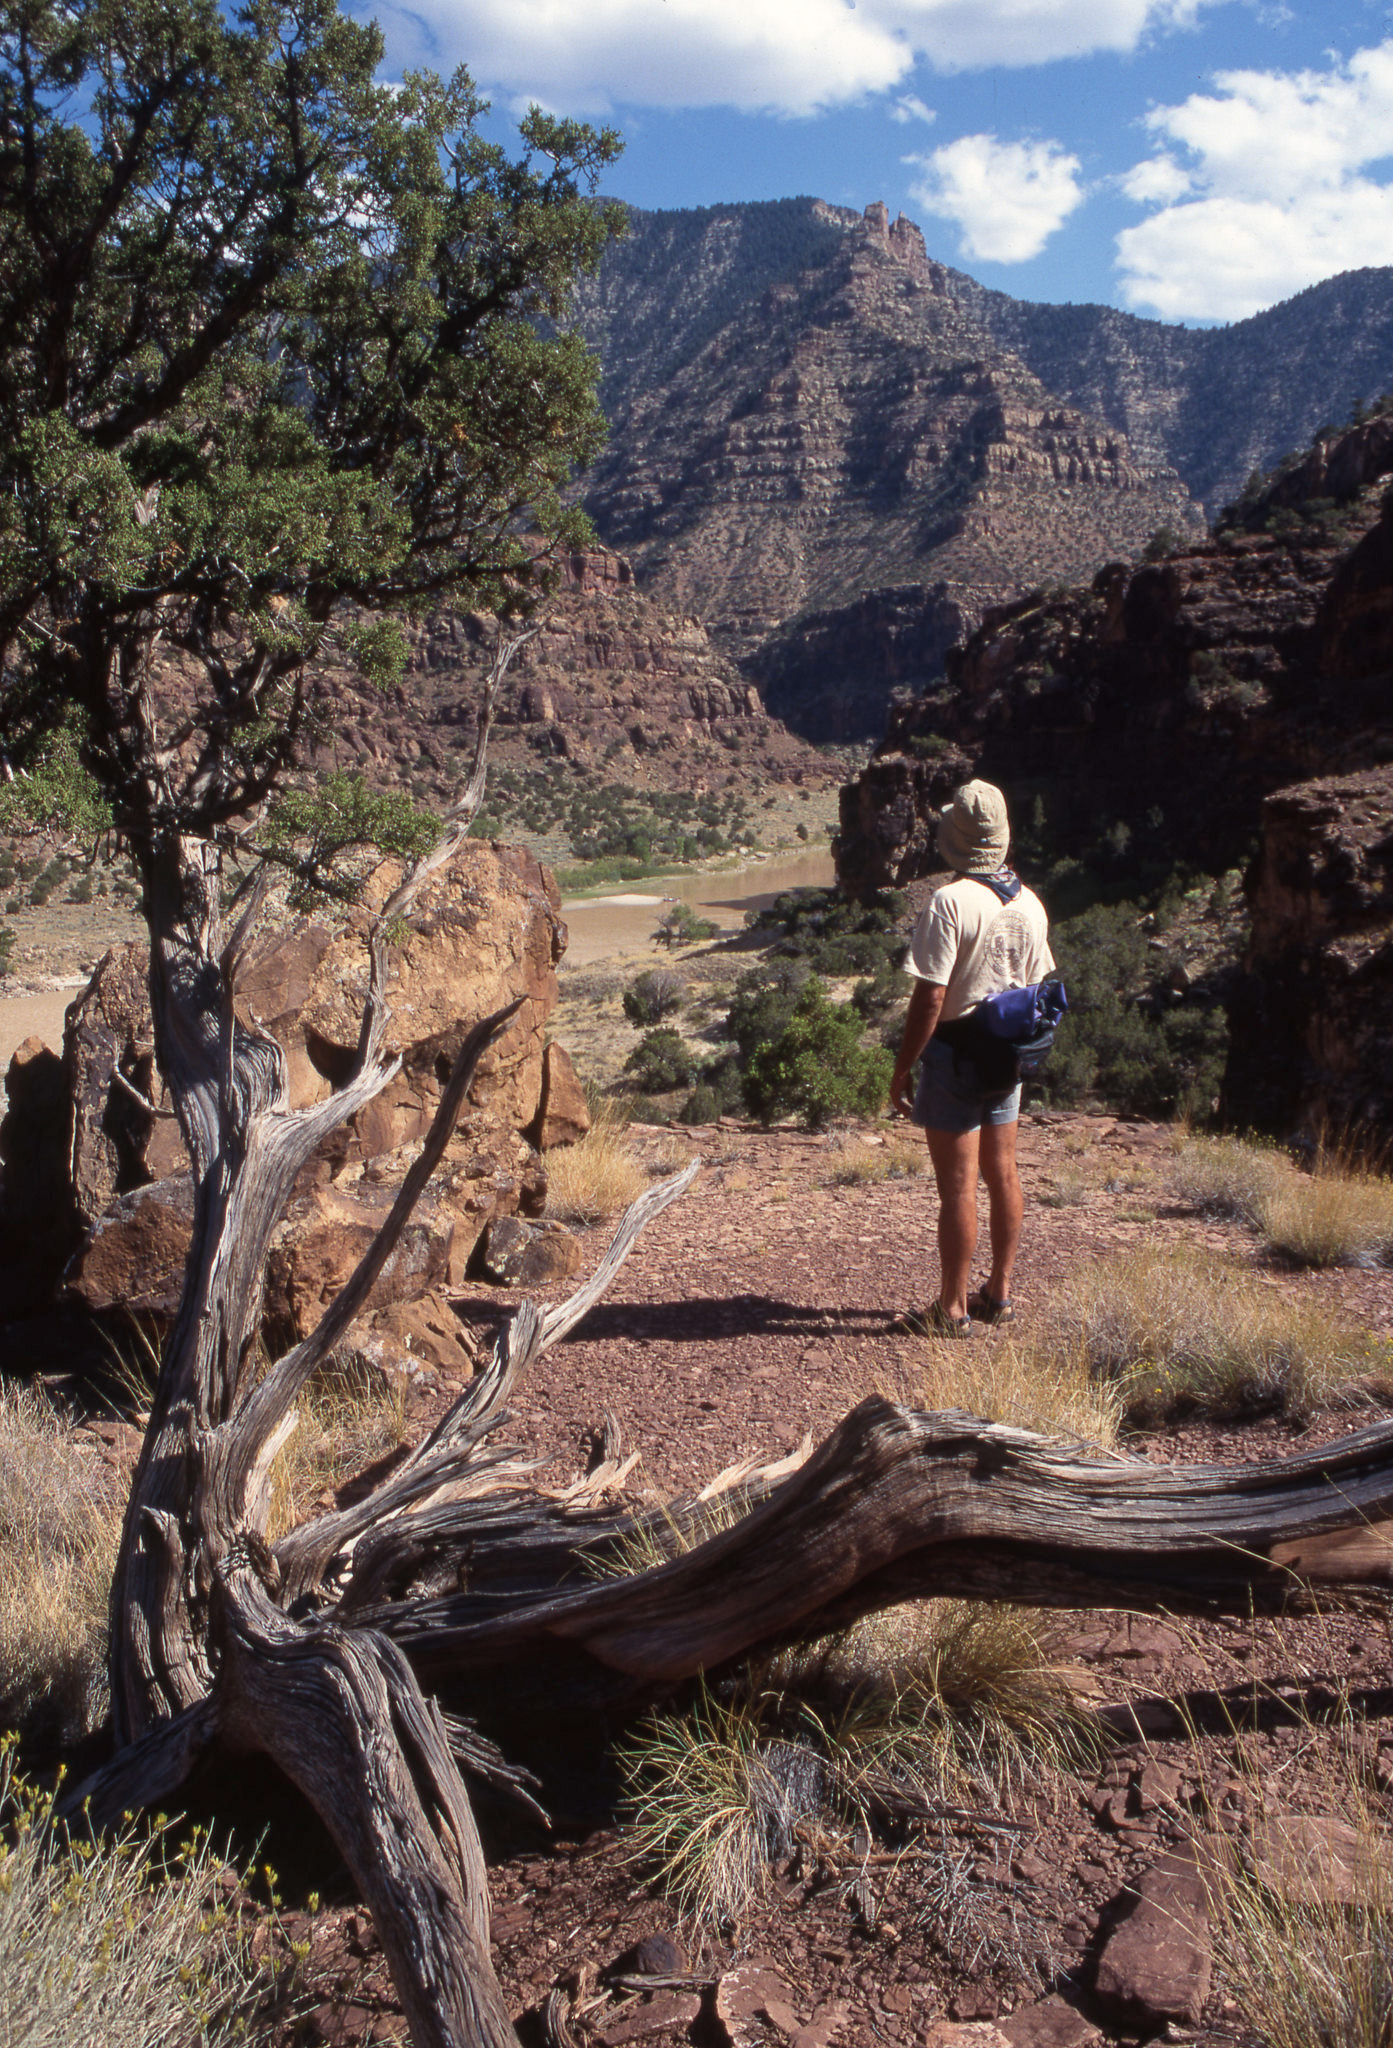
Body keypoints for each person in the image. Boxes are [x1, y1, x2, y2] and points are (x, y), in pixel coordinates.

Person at [888, 779, 1054, 1338]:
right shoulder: (1030, 902)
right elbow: (1035, 985)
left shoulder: (950, 902)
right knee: (1003, 1174)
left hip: (956, 1053)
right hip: (1008, 1057)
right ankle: (999, 1292)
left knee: (958, 1188)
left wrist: (903, 1065)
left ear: (956, 839)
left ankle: (952, 1309)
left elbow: (931, 996)